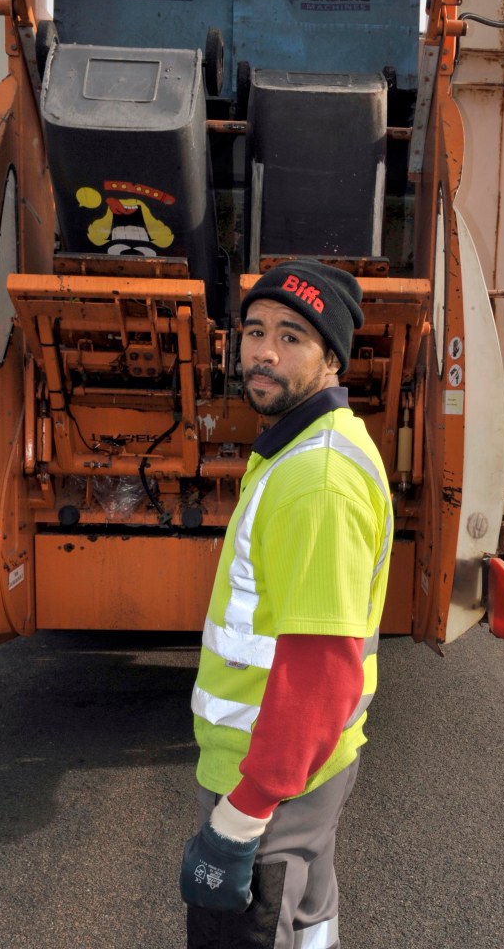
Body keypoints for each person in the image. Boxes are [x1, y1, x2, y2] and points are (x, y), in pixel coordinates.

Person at [179, 258, 393, 949]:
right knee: (304, 921)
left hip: (270, 782)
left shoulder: (316, 480)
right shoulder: (295, 451)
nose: (264, 351)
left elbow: (321, 672)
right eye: (254, 330)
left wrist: (241, 818)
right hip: (299, 771)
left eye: (292, 336)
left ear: (331, 357)